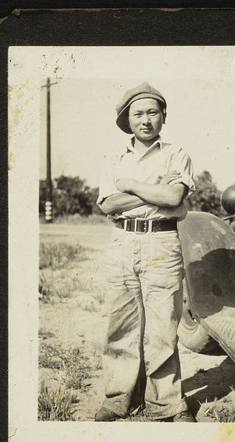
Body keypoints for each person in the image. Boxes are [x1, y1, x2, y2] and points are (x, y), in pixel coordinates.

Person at [95, 82, 195, 422]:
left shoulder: (176, 154)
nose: (146, 120)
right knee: (120, 327)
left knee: (162, 329)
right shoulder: (114, 158)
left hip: (162, 245)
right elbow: (108, 204)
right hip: (122, 243)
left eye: (153, 112)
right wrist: (158, 189)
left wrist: (133, 186)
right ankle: (119, 400)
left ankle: (165, 405)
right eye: (138, 113)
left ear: (163, 116)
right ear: (128, 119)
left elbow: (173, 199)